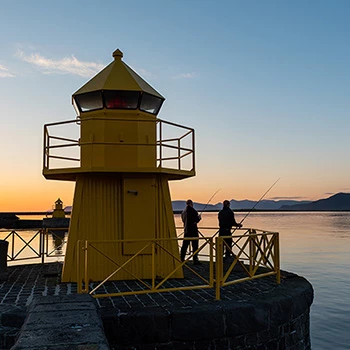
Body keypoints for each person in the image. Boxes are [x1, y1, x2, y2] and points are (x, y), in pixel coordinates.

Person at [180, 199, 201, 264]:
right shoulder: (194, 211)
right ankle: (195, 259)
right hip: (193, 231)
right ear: (191, 204)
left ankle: (181, 258)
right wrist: (199, 218)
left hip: (186, 230)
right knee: (195, 246)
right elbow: (196, 220)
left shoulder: (183, 212)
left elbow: (183, 220)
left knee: (184, 246)